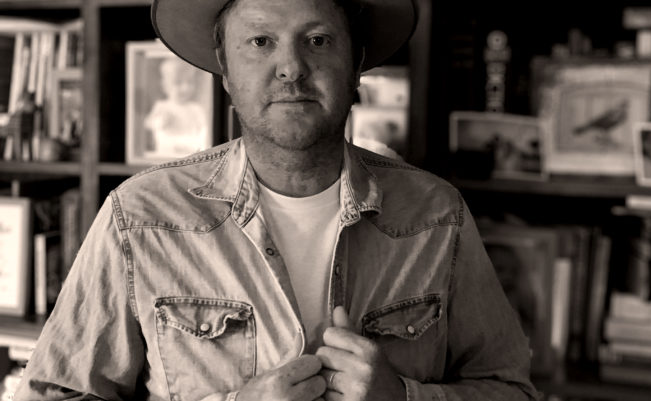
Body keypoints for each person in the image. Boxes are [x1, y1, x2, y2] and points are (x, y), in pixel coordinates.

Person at [16, 0, 538, 400]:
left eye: (317, 40)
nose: (291, 67)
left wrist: (401, 397)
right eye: (261, 41)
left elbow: (512, 390)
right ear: (225, 71)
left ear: (356, 64)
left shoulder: (437, 216)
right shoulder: (140, 217)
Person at [143, 57, 209, 158]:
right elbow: (148, 123)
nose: (185, 88)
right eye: (178, 83)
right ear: (165, 86)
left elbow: (204, 130)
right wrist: (159, 121)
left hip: (189, 151)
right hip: (166, 153)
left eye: (190, 82)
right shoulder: (162, 106)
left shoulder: (195, 109)